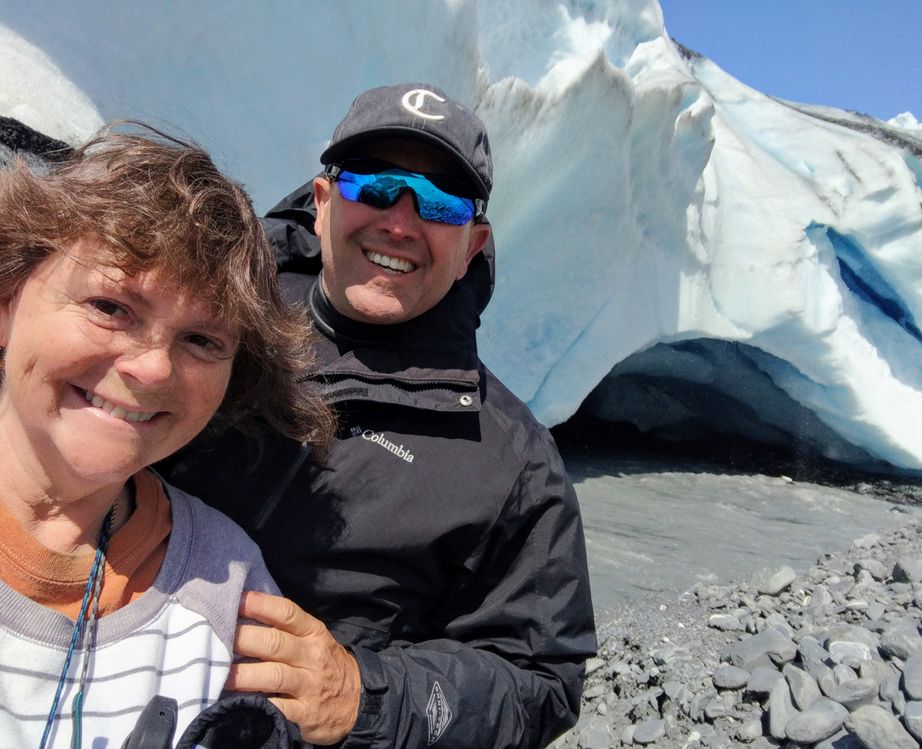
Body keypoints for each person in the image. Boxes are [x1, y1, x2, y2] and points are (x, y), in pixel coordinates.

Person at [161, 83, 597, 749]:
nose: (399, 221)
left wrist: (366, 694)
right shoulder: (202, 323)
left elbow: (539, 681)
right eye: (373, 185)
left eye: (440, 203)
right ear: (322, 200)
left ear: (472, 243)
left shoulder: (512, 462)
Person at [0, 125, 333, 748]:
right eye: (110, 306)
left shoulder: (225, 586)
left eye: (203, 341)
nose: (153, 368)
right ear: (6, 303)